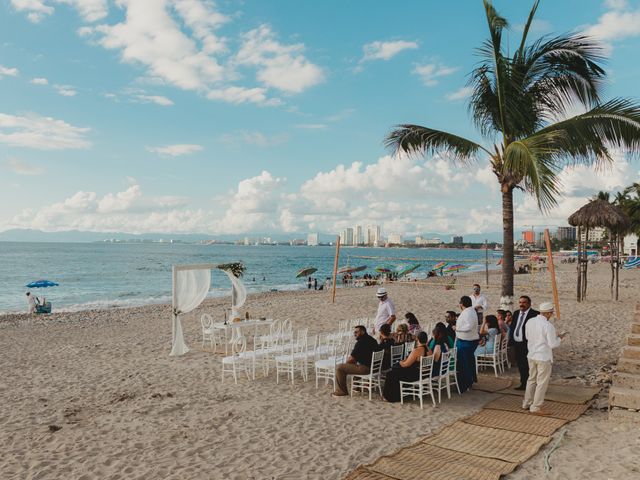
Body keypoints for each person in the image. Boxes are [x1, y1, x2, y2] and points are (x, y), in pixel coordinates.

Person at [523, 302, 565, 415]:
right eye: (551, 313)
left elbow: (527, 337)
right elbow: (552, 344)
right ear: (548, 313)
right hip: (543, 357)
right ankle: (535, 407)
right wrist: (560, 339)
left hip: (531, 354)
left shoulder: (530, 321)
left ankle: (527, 402)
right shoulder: (548, 326)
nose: (551, 315)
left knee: (531, 379)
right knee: (541, 382)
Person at [332, 325, 379, 398]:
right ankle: (356, 387)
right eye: (354, 332)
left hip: (366, 368)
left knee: (340, 367)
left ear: (363, 332)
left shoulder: (361, 342)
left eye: (356, 332)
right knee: (354, 363)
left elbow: (351, 359)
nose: (355, 334)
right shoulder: (372, 340)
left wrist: (347, 364)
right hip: (374, 368)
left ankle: (341, 391)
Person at [382, 331, 429, 402]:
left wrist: (400, 362)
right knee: (395, 371)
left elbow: (406, 364)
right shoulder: (429, 350)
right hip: (423, 374)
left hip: (415, 375)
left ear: (417, 339)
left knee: (391, 374)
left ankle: (391, 397)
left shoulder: (416, 351)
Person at [510, 295, 539, 390]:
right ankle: (523, 384)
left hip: (528, 344)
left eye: (524, 302)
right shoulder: (516, 313)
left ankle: (532, 384)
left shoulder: (535, 314)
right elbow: (513, 327)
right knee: (521, 365)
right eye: (520, 302)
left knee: (529, 366)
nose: (521, 304)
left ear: (529, 304)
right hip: (517, 344)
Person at [455, 295, 480, 393]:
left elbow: (469, 326)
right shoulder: (470, 311)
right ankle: (470, 380)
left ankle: (465, 384)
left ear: (461, 304)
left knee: (463, 363)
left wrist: (457, 329)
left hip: (466, 341)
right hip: (466, 340)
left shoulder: (468, 313)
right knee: (468, 361)